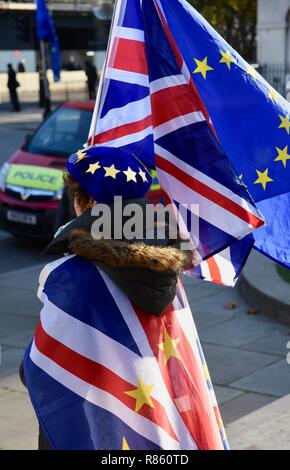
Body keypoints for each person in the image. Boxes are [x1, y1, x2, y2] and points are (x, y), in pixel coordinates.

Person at [20, 146, 228, 450]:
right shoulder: (168, 267)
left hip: (99, 430)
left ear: (88, 202)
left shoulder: (70, 277)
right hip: (153, 425)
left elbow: (38, 370)